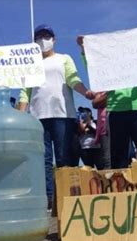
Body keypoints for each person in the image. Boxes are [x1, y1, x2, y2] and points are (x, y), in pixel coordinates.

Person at [19, 24, 95, 209]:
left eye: (46, 36)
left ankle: (66, 196)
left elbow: (73, 79)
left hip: (63, 114)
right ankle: (49, 198)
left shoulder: (64, 58)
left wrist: (86, 93)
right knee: (43, 159)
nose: (42, 40)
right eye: (39, 37)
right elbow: (24, 91)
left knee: (64, 157)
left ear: (54, 40)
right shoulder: (29, 63)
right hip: (37, 116)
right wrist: (21, 115)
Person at [77, 24, 137, 169]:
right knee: (119, 156)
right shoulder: (108, 67)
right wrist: (83, 48)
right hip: (116, 112)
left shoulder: (136, 63)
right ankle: (123, 188)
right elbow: (93, 67)